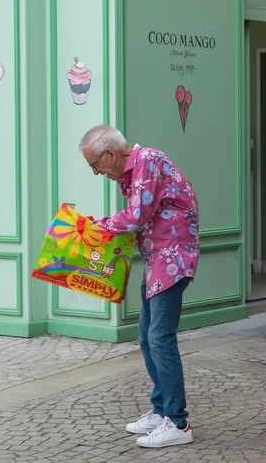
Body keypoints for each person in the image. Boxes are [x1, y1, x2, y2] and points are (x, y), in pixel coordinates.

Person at [79, 125, 199, 449]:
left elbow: (136, 215)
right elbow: (137, 221)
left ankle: (178, 422)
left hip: (172, 256)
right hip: (157, 257)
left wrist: (94, 227)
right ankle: (163, 411)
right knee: (147, 336)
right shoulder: (128, 175)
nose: (95, 172)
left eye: (94, 164)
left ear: (110, 154)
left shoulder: (147, 160)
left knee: (160, 337)